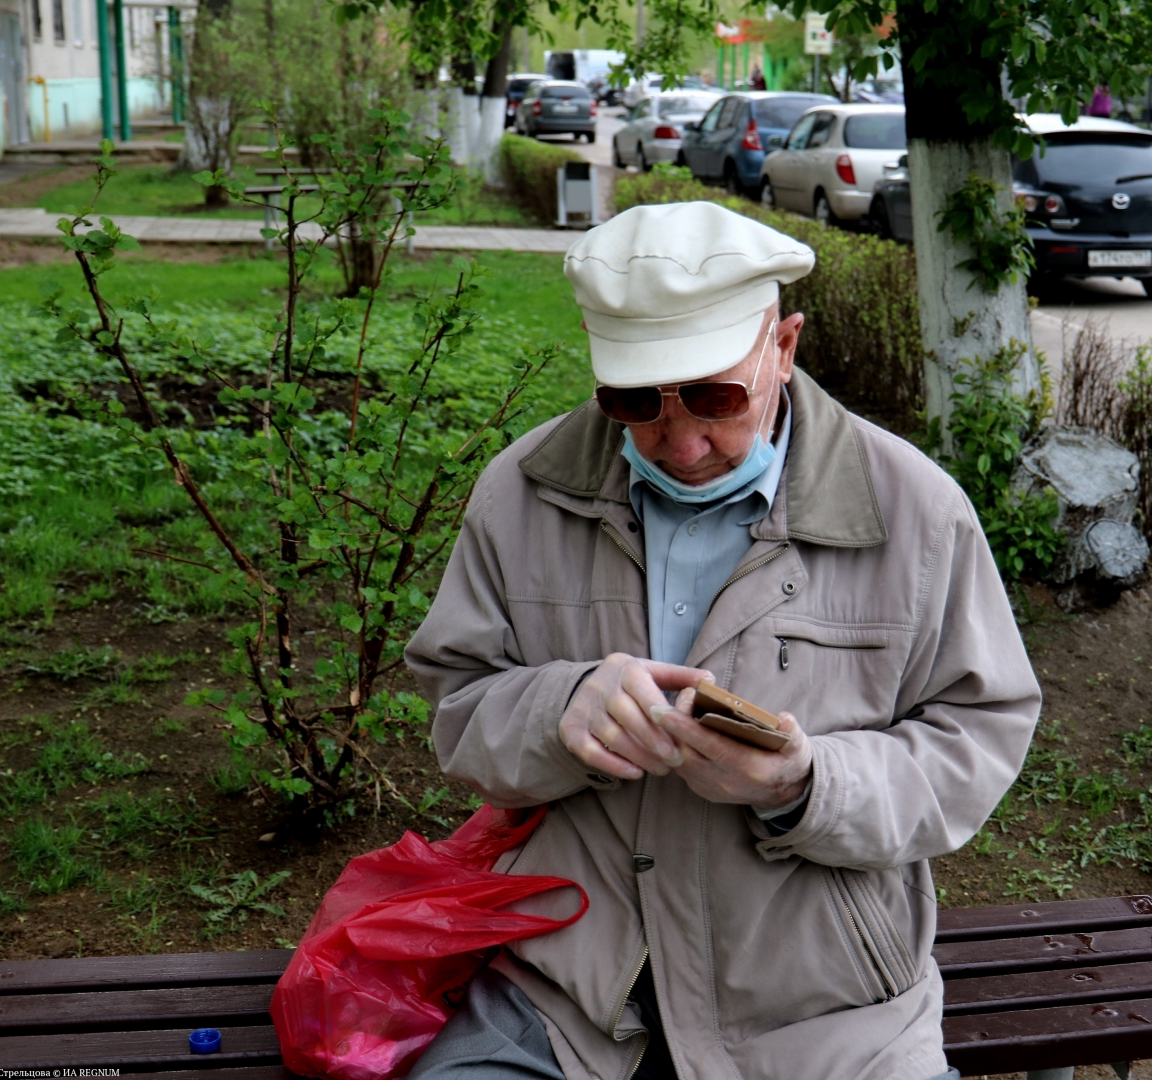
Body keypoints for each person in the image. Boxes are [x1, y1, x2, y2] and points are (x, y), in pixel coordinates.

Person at [403, 201, 1041, 1080]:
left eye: (714, 395)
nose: (682, 440)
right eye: (635, 402)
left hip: (827, 1013)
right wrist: (559, 712)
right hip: (563, 995)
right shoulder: (520, 492)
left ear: (783, 345)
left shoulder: (917, 513)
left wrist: (807, 783)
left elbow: (978, 738)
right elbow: (458, 703)